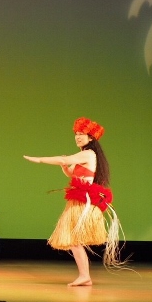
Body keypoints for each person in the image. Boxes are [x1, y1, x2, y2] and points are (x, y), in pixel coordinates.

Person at [24, 117, 124, 286]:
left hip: (83, 203)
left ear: (90, 137)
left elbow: (64, 159)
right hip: (78, 201)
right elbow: (72, 173)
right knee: (74, 240)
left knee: (74, 239)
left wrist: (40, 159)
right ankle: (85, 276)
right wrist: (64, 167)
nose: (77, 137)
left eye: (81, 134)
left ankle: (85, 276)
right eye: (76, 134)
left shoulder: (88, 153)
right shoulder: (85, 154)